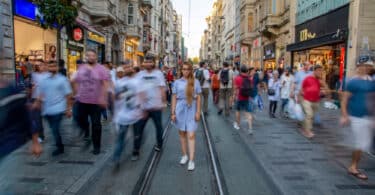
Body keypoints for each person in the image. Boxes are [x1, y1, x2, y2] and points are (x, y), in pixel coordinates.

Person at [340, 56, 375, 180]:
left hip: (367, 117)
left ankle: (354, 165)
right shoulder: (353, 81)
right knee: (359, 143)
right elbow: (344, 100)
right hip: (355, 116)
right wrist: (344, 115)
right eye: (364, 65)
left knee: (363, 144)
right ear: (358, 66)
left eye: (368, 66)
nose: (366, 68)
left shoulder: (371, 81)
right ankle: (353, 166)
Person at [72, 50, 109, 155]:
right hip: (82, 100)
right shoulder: (81, 68)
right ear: (86, 57)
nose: (91, 57)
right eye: (89, 55)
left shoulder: (101, 69)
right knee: (80, 120)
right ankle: (86, 132)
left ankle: (96, 146)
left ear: (96, 57)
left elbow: (105, 84)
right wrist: (76, 93)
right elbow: (74, 81)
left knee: (96, 125)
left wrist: (103, 98)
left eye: (93, 55)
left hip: (96, 102)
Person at [34, 61, 72, 156]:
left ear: (57, 67)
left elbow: (68, 95)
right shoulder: (44, 80)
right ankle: (59, 140)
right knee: (53, 129)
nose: (52, 68)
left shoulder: (62, 79)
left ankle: (60, 147)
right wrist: (37, 103)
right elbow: (40, 94)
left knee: (55, 129)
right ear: (47, 67)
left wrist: (68, 109)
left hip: (58, 109)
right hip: (47, 110)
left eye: (54, 66)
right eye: (50, 66)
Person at [132, 54, 166, 160]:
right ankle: (136, 150)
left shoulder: (158, 74)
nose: (147, 63)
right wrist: (140, 104)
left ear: (153, 63)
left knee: (158, 127)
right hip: (144, 107)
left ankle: (159, 144)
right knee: (138, 129)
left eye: (150, 62)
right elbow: (138, 90)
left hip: (156, 107)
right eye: (146, 62)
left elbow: (161, 88)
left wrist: (163, 102)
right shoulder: (140, 75)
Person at [112, 61, 145, 167]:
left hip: (136, 113)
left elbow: (142, 95)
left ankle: (135, 151)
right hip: (123, 115)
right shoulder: (119, 83)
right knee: (121, 137)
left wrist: (142, 109)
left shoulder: (138, 81)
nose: (127, 69)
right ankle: (116, 157)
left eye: (129, 67)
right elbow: (115, 97)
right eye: (125, 68)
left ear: (132, 68)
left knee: (137, 135)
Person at [171, 62, 202, 171]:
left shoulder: (195, 82)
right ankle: (184, 155)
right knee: (182, 134)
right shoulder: (176, 82)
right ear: (181, 70)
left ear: (190, 70)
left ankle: (191, 160)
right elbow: (174, 97)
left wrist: (198, 112)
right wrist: (173, 113)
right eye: (184, 69)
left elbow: (198, 98)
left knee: (191, 135)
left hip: (192, 109)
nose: (186, 71)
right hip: (180, 110)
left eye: (188, 69)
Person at [300, 65, 325, 138]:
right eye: (319, 70)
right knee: (309, 115)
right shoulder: (307, 78)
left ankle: (304, 127)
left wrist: (322, 92)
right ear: (315, 71)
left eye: (321, 71)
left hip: (316, 100)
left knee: (312, 117)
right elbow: (302, 89)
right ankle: (308, 131)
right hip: (307, 100)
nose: (320, 72)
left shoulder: (320, 80)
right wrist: (300, 96)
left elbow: (322, 89)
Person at [30, 60, 50, 142]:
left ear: (44, 65)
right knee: (37, 119)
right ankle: (41, 136)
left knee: (50, 118)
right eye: (37, 65)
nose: (39, 66)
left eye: (41, 65)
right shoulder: (33, 75)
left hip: (46, 99)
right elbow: (31, 86)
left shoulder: (49, 75)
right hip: (35, 98)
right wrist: (32, 88)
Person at [233, 65, 254, 134]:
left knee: (238, 111)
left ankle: (238, 125)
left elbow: (235, 89)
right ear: (247, 71)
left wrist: (234, 97)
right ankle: (250, 128)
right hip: (246, 97)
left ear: (240, 71)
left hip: (239, 97)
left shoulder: (237, 78)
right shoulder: (249, 79)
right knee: (248, 113)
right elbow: (251, 88)